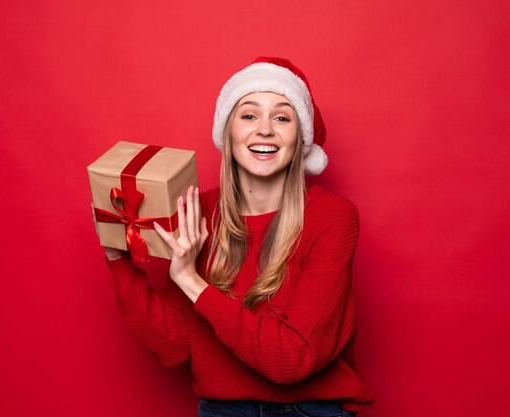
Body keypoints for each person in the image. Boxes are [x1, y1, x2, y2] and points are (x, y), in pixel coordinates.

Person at [102, 56, 375, 416]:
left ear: (301, 139)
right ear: (227, 133)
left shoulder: (333, 217)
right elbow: (176, 346)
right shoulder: (199, 212)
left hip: (308, 410)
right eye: (248, 115)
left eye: (282, 117)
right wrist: (118, 255)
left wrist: (191, 281)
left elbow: (293, 358)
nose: (265, 129)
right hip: (221, 409)